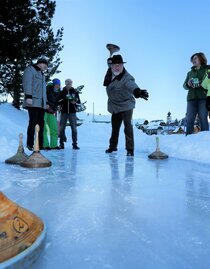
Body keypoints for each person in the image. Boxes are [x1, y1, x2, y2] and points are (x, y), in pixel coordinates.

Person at [104, 54, 149, 156]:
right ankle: (112, 147)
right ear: (111, 66)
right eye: (114, 65)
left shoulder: (126, 77)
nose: (117, 67)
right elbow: (108, 64)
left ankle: (130, 149)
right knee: (115, 127)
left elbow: (131, 84)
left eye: (119, 65)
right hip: (114, 105)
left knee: (127, 126)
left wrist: (137, 91)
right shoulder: (109, 74)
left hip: (126, 104)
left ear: (123, 65)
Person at [22, 58, 48, 151]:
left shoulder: (42, 74)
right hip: (32, 101)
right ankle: (30, 144)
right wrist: (28, 96)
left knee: (41, 124)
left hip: (41, 104)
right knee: (33, 122)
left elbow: (44, 91)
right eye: (45, 65)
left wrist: (46, 102)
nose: (46, 67)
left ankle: (40, 145)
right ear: (40, 63)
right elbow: (27, 83)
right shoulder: (30, 69)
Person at [183, 52, 209, 135]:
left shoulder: (207, 69)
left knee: (203, 118)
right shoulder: (189, 73)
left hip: (203, 98)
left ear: (201, 59)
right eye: (192, 59)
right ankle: (188, 139)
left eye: (195, 58)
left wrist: (202, 82)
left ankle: (205, 140)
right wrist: (188, 84)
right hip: (191, 99)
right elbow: (184, 86)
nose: (193, 60)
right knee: (189, 119)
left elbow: (208, 82)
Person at [58, 79, 81, 149]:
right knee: (61, 128)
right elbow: (58, 101)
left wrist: (75, 102)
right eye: (67, 82)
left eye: (70, 82)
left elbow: (79, 102)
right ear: (65, 83)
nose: (69, 83)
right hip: (64, 112)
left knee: (74, 129)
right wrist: (65, 99)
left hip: (72, 112)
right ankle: (61, 144)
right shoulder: (61, 92)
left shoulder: (75, 92)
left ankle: (75, 144)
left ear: (72, 83)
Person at [43, 78, 61, 150]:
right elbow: (44, 97)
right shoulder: (48, 89)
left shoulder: (58, 92)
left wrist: (55, 109)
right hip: (44, 110)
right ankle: (45, 145)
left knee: (54, 128)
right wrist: (46, 104)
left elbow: (57, 102)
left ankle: (54, 145)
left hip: (51, 112)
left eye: (58, 85)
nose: (57, 86)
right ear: (53, 84)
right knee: (44, 128)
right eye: (56, 84)